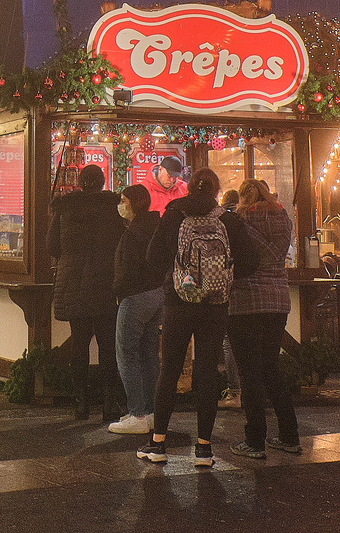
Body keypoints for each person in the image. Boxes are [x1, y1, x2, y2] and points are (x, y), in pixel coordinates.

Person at [139, 167, 262, 468]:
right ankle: (204, 449)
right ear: (216, 190)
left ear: (190, 188)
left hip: (178, 302)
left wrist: (176, 274)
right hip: (215, 304)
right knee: (207, 371)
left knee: (169, 370)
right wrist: (225, 277)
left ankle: (158, 444)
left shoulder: (174, 213)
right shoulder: (227, 219)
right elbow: (251, 261)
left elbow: (153, 257)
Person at [226, 179, 301, 459]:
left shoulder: (239, 223)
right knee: (271, 369)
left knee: (249, 374)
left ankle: (255, 440)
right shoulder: (285, 221)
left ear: (243, 198)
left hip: (245, 301)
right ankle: (290, 436)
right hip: (277, 302)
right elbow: (275, 256)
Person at [49, 164, 125, 421]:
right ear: (103, 182)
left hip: (74, 281)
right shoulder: (114, 207)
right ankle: (110, 404)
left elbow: (52, 245)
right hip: (105, 281)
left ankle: (80, 404)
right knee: (107, 345)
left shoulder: (65, 208)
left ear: (80, 182)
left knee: (79, 345)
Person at [108, 183, 163, 435]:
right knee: (149, 353)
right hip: (157, 295)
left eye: (123, 200)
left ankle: (136, 413)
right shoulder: (156, 227)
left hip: (135, 296)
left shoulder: (132, 233)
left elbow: (127, 270)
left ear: (133, 203)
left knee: (127, 353)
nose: (120, 205)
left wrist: (117, 290)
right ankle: (151, 412)